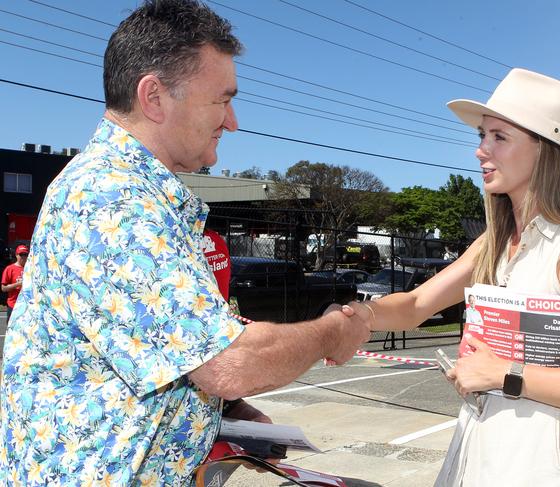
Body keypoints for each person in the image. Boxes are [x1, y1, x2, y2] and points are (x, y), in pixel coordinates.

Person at [0, 1, 371, 484]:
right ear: (154, 96)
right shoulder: (114, 200)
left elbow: (155, 347)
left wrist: (225, 409)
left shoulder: (128, 193)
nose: (233, 121)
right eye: (221, 100)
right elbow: (226, 363)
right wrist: (332, 332)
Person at [345, 68, 560, 486]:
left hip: (544, 467)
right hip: (476, 452)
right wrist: (356, 316)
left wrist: (502, 373)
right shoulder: (494, 242)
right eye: (482, 136)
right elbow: (414, 305)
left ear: (544, 149)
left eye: (499, 137)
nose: (481, 151)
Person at [0, 244, 28, 322]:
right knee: (11, 330)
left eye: (25, 254)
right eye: (21, 254)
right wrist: (17, 284)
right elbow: (3, 288)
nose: (23, 257)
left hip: (27, 305)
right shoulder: (10, 269)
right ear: (16, 255)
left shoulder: (30, 268)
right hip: (13, 305)